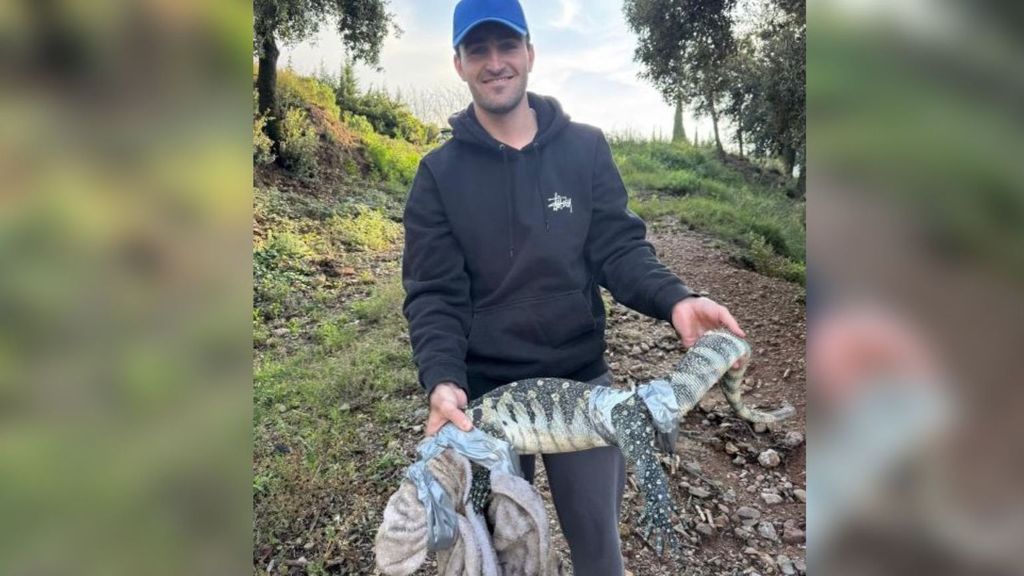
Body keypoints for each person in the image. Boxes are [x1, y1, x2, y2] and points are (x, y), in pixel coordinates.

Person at [401, 0, 745, 572]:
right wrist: (441, 378)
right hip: (485, 403)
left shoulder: (584, 148)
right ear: (459, 64)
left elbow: (619, 249)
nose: (494, 63)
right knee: (501, 556)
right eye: (477, 50)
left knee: (599, 552)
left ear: (529, 53)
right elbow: (434, 292)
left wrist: (676, 298)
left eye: (506, 46)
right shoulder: (438, 175)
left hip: (584, 387)